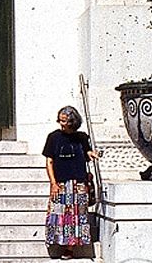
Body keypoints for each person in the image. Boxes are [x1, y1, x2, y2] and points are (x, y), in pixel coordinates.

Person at [42, 106, 99, 259]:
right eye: (60, 120)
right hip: (61, 182)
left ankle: (70, 248)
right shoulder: (53, 137)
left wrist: (92, 154)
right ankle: (57, 241)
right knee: (59, 215)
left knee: (77, 215)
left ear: (73, 121)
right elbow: (49, 161)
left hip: (79, 182)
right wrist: (53, 183)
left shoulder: (81, 137)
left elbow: (87, 152)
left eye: (64, 121)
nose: (61, 123)